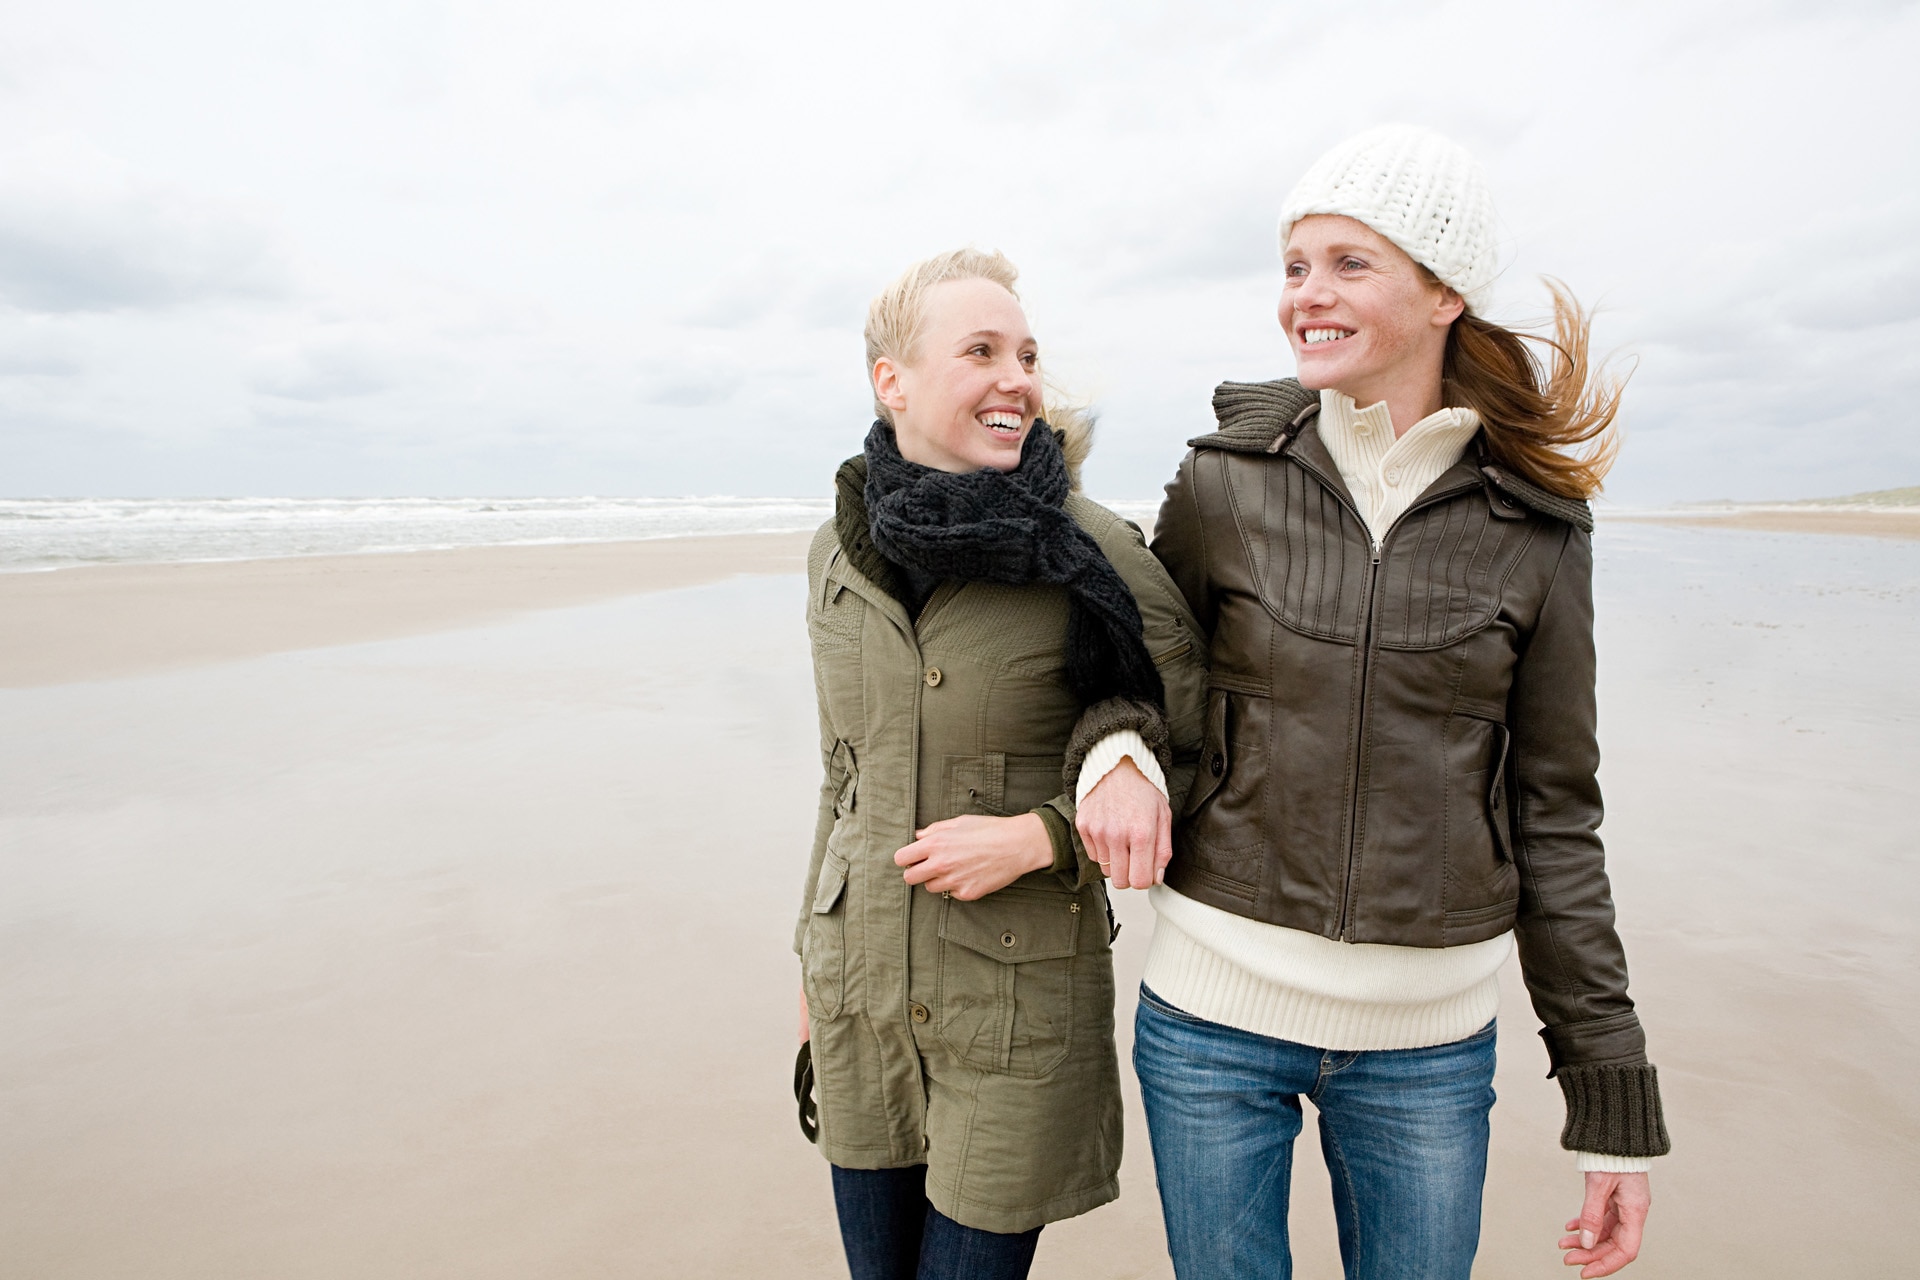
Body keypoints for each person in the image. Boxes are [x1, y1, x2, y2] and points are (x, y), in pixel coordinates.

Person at [1110, 124, 1670, 1279]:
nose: (1305, 294)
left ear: (1444, 292)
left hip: (1428, 1048)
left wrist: (1610, 1093)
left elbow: (1557, 814)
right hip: (1211, 1023)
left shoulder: (1539, 527)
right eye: (1294, 264)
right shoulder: (1223, 481)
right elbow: (1134, 670)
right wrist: (1115, 748)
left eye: (1348, 263)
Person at [793, 248, 1207, 1280]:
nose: (1017, 377)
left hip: (1011, 1006)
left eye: (1025, 354)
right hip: (858, 996)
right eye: (980, 351)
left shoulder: (1094, 552)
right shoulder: (836, 554)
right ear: (891, 379)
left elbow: (1200, 753)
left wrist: (1040, 837)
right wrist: (808, 969)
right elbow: (841, 781)